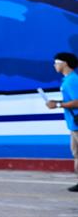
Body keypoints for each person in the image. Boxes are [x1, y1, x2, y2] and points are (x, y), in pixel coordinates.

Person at [46, 52, 78, 192]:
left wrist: (58, 105)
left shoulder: (72, 80)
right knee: (76, 153)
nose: (54, 65)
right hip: (73, 124)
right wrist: (57, 103)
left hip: (76, 124)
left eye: (56, 62)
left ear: (64, 63)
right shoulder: (67, 80)